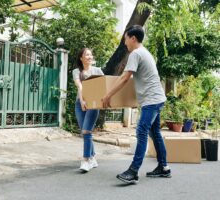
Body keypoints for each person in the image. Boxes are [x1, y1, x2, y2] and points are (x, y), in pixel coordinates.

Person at [102, 25, 171, 184]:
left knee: (141, 130)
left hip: (152, 100)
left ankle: (133, 171)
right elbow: (138, 80)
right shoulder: (145, 53)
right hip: (156, 98)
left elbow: (125, 78)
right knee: (154, 133)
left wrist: (108, 95)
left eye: (125, 38)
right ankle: (163, 167)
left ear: (133, 38)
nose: (125, 42)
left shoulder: (135, 54)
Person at [72, 48, 104, 172]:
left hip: (93, 104)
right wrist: (81, 100)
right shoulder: (77, 71)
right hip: (80, 104)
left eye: (91, 54)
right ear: (81, 58)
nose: (89, 56)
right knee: (85, 132)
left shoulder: (98, 71)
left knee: (86, 131)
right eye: (87, 55)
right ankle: (92, 157)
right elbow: (79, 85)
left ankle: (86, 160)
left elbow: (103, 86)